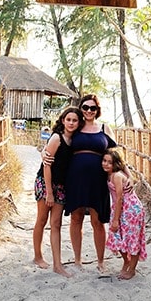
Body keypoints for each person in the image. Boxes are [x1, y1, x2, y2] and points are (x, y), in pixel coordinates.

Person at [43, 93, 131, 273]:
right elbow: (57, 140)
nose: (89, 111)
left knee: (98, 221)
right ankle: (77, 260)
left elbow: (117, 156)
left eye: (93, 108)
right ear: (81, 108)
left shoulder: (105, 128)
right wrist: (43, 152)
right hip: (75, 179)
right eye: (85, 107)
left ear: (97, 110)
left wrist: (128, 175)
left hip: (98, 180)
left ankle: (100, 261)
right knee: (76, 218)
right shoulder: (76, 125)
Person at [32, 106, 84, 277]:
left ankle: (57, 264)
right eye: (68, 119)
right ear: (63, 120)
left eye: (74, 120)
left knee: (56, 224)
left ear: (78, 123)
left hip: (61, 186)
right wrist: (49, 192)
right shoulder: (57, 138)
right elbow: (47, 164)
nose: (71, 123)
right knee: (41, 219)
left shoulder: (75, 141)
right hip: (46, 182)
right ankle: (38, 256)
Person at [102, 148, 147, 280]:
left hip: (130, 209)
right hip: (119, 208)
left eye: (109, 162)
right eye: (104, 160)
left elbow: (120, 197)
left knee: (132, 238)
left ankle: (132, 269)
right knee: (117, 237)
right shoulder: (109, 174)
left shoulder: (116, 176)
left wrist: (115, 220)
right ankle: (126, 261)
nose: (105, 164)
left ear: (115, 164)